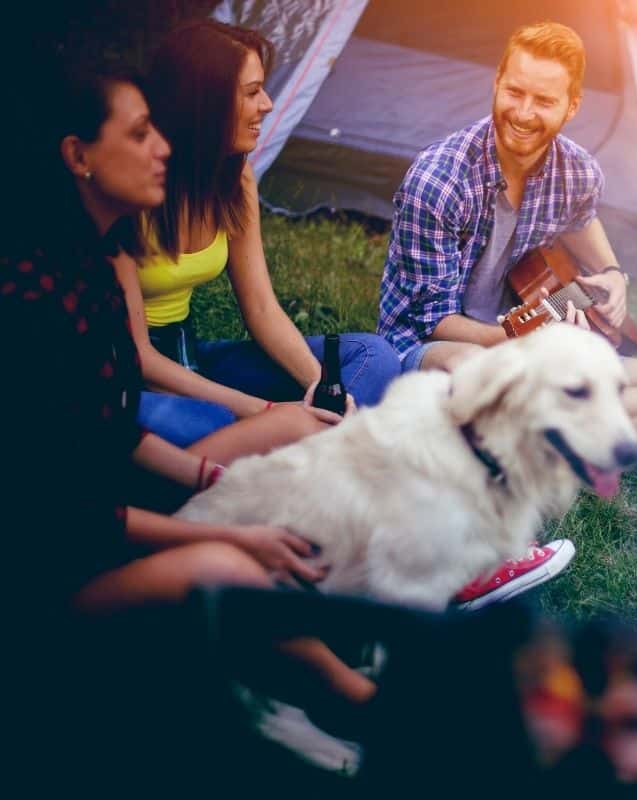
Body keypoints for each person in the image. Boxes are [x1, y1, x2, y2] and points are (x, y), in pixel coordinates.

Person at [2, 67, 375, 714]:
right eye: (141, 133)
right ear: (77, 156)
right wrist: (231, 536)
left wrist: (211, 478)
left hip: (107, 501)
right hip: (52, 572)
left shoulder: (90, 261)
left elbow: (113, 425)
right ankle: (364, 703)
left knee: (301, 427)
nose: (164, 147)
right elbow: (63, 517)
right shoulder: (29, 300)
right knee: (229, 569)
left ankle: (383, 592)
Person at [378, 21, 637, 608]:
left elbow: (583, 218)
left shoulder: (577, 170)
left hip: (527, 346)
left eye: (544, 100)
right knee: (463, 367)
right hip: (429, 349)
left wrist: (613, 277)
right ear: (498, 82)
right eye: (515, 92)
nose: (524, 113)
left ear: (572, 105)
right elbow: (433, 321)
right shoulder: (439, 181)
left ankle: (530, 447)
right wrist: (530, 341)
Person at [114, 20, 406, 448]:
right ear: (205, 103)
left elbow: (262, 309)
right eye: (252, 92)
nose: (268, 104)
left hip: (191, 357)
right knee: (204, 424)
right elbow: (140, 358)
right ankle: (299, 451)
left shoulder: (235, 180)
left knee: (372, 357)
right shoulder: (132, 189)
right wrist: (263, 411)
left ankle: (297, 446)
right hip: (135, 373)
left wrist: (320, 388)